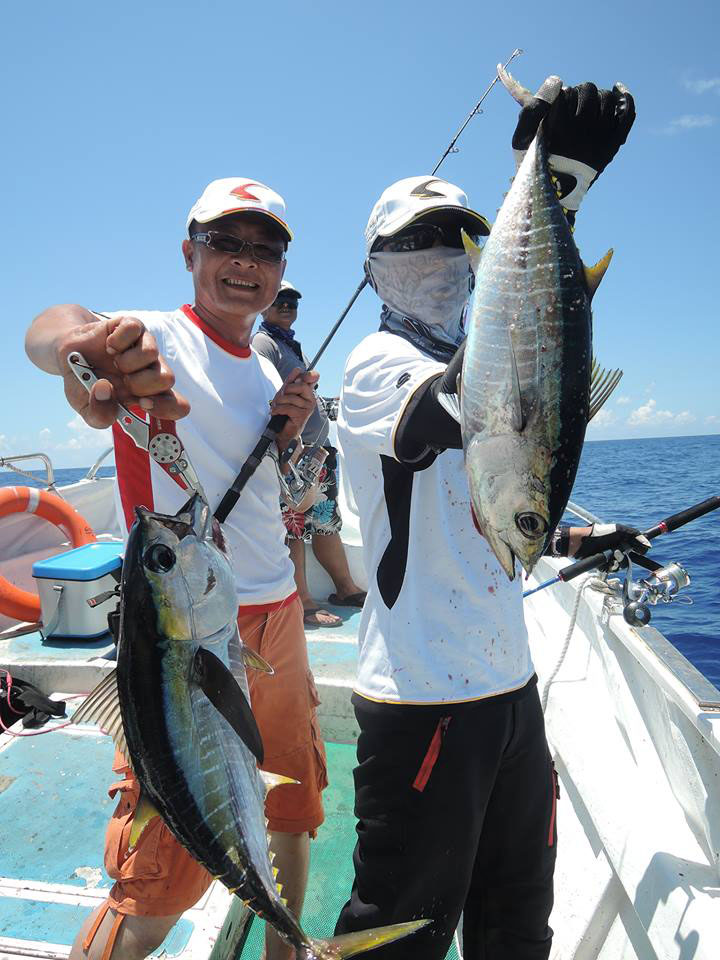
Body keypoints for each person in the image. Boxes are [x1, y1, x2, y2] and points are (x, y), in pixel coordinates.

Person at [334, 78, 646, 959]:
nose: (438, 252)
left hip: (511, 691)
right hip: (425, 697)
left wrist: (577, 536)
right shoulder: (373, 363)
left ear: (484, 247)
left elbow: (490, 504)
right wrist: (555, 202)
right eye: (414, 240)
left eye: (456, 236)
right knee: (399, 931)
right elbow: (455, 408)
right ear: (374, 265)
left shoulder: (492, 349)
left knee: (516, 919)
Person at [25, 178, 328, 960]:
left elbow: (270, 497)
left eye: (265, 250)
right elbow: (53, 328)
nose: (245, 264)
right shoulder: (150, 336)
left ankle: (288, 950)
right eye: (227, 243)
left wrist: (287, 430)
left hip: (278, 615)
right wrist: (78, 352)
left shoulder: (267, 370)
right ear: (190, 251)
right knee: (156, 875)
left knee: (292, 811)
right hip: (178, 633)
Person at [253, 281, 366, 627]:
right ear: (264, 306)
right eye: (279, 300)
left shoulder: (290, 345)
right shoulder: (264, 343)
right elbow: (265, 395)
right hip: (294, 456)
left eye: (292, 301)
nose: (287, 306)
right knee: (294, 528)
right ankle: (302, 601)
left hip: (319, 454)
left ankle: (345, 587)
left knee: (326, 523)